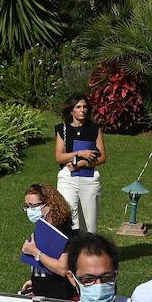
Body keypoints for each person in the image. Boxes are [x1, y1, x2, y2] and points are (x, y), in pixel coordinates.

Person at [55, 96, 106, 234]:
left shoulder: (94, 129)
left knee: (90, 222)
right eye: (78, 107)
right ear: (71, 111)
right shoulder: (62, 129)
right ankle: (71, 250)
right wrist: (80, 153)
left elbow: (102, 158)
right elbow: (59, 157)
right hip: (67, 178)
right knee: (68, 215)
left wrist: (82, 163)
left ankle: (90, 250)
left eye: (84, 107)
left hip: (89, 178)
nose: (82, 110)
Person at [20, 183, 77, 301]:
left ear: (49, 204)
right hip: (42, 292)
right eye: (27, 206)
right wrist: (36, 281)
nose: (30, 210)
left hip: (61, 297)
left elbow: (62, 269)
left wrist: (35, 252)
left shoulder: (62, 232)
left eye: (33, 206)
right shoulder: (42, 228)